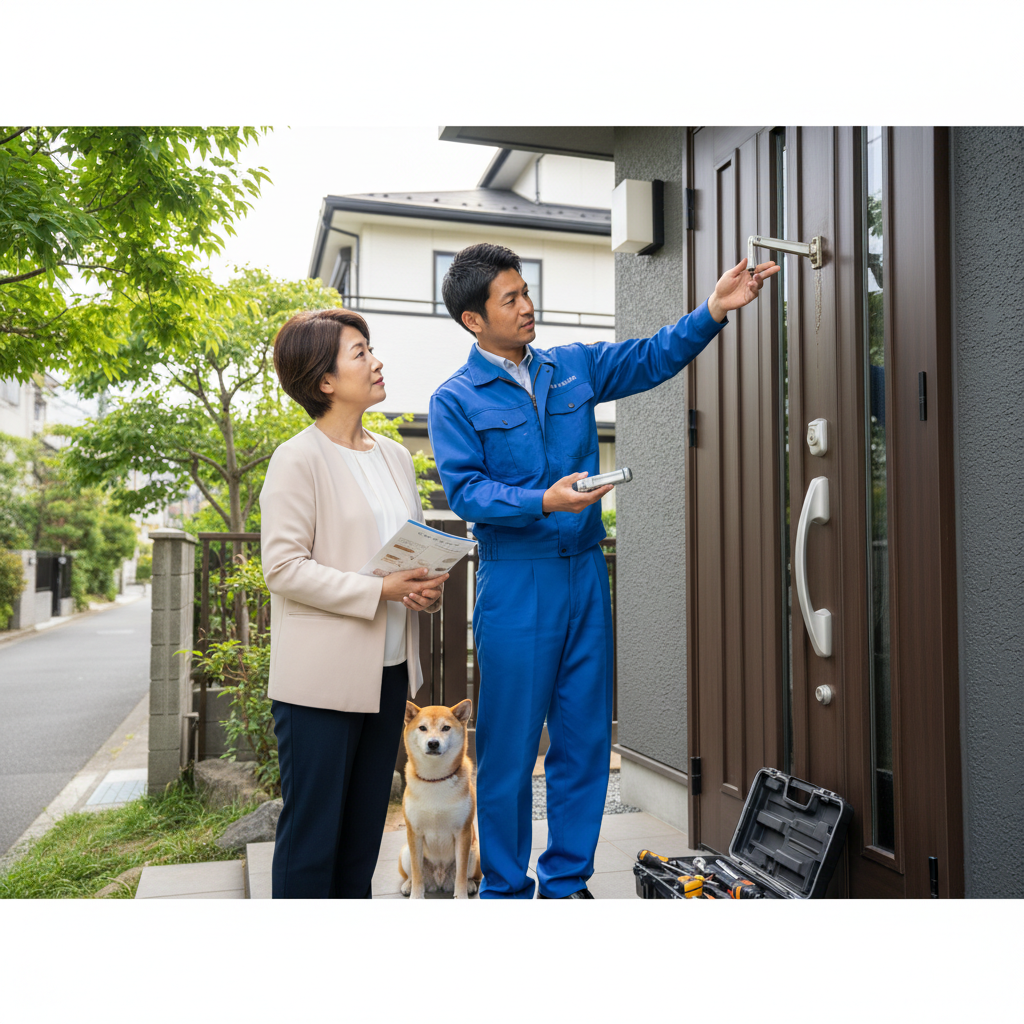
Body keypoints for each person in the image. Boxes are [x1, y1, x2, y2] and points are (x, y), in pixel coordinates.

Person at [428, 243, 779, 899]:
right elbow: (466, 492)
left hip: (585, 574)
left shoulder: (571, 366)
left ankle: (567, 883)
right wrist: (543, 500)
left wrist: (713, 308)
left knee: (584, 741)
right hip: (517, 580)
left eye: (526, 291)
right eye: (511, 298)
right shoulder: (454, 399)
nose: (527, 305)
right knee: (509, 749)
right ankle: (505, 889)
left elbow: (650, 357)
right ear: (474, 319)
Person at [260, 308, 448, 898]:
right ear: (324, 380)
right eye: (360, 353)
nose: (376, 361)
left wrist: (422, 590)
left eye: (371, 349)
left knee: (363, 835)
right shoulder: (297, 458)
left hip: (389, 673)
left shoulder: (394, 456)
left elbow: (404, 554)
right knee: (312, 839)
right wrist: (379, 590)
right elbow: (283, 568)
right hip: (319, 681)